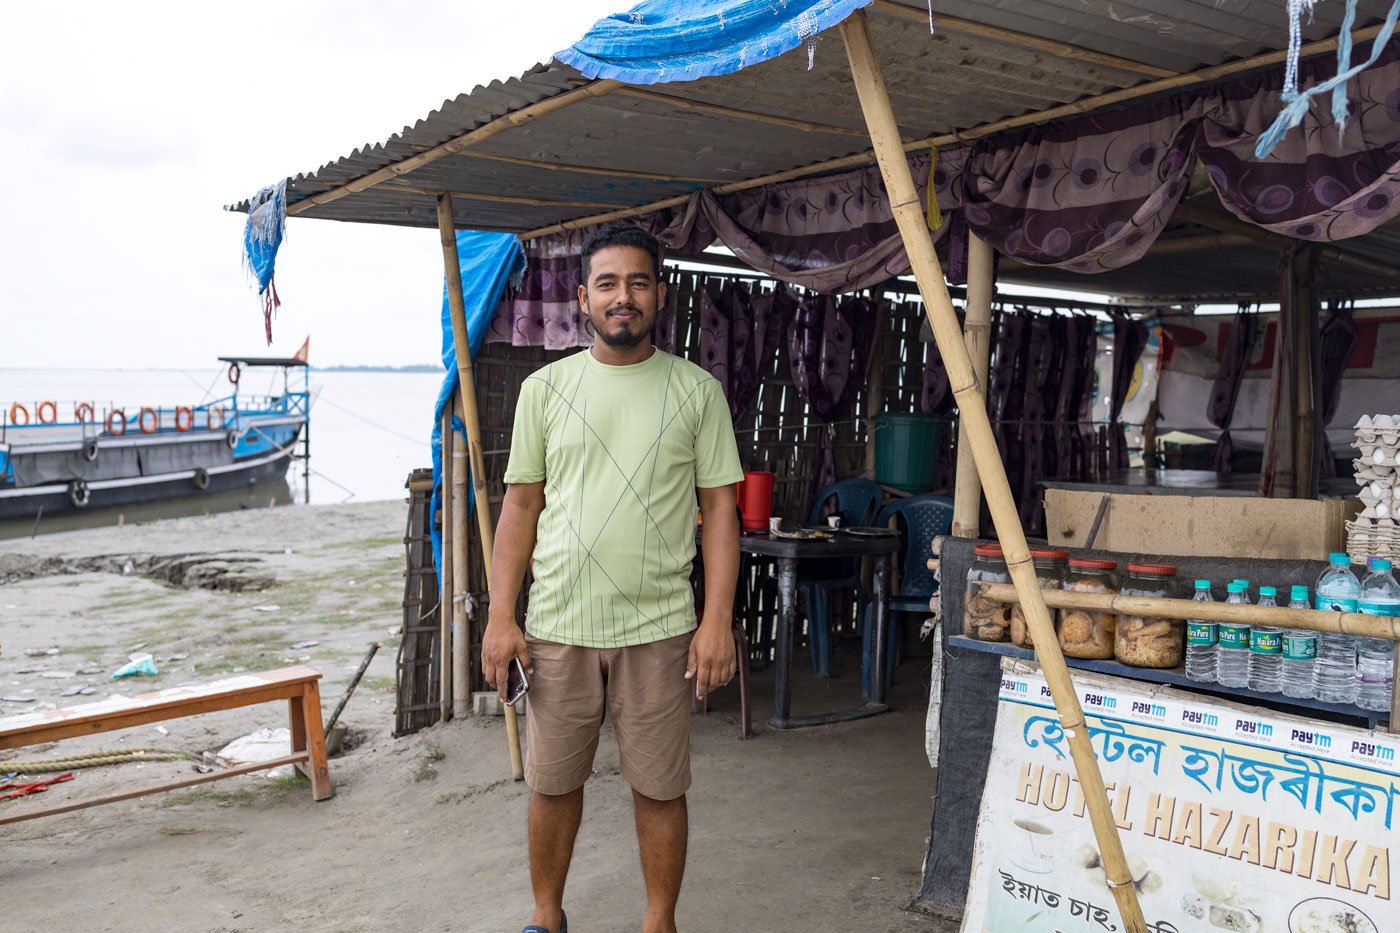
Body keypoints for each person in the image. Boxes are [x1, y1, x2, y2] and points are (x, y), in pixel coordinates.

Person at [482, 223, 743, 933]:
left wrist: (715, 620)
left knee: (660, 787)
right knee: (552, 781)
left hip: (659, 627)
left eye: (636, 281)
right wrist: (501, 614)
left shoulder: (696, 392)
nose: (622, 296)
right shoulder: (545, 389)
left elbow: (721, 509)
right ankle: (546, 914)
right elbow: (522, 505)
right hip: (559, 623)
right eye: (607, 283)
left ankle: (659, 921)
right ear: (582, 297)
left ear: (660, 292)